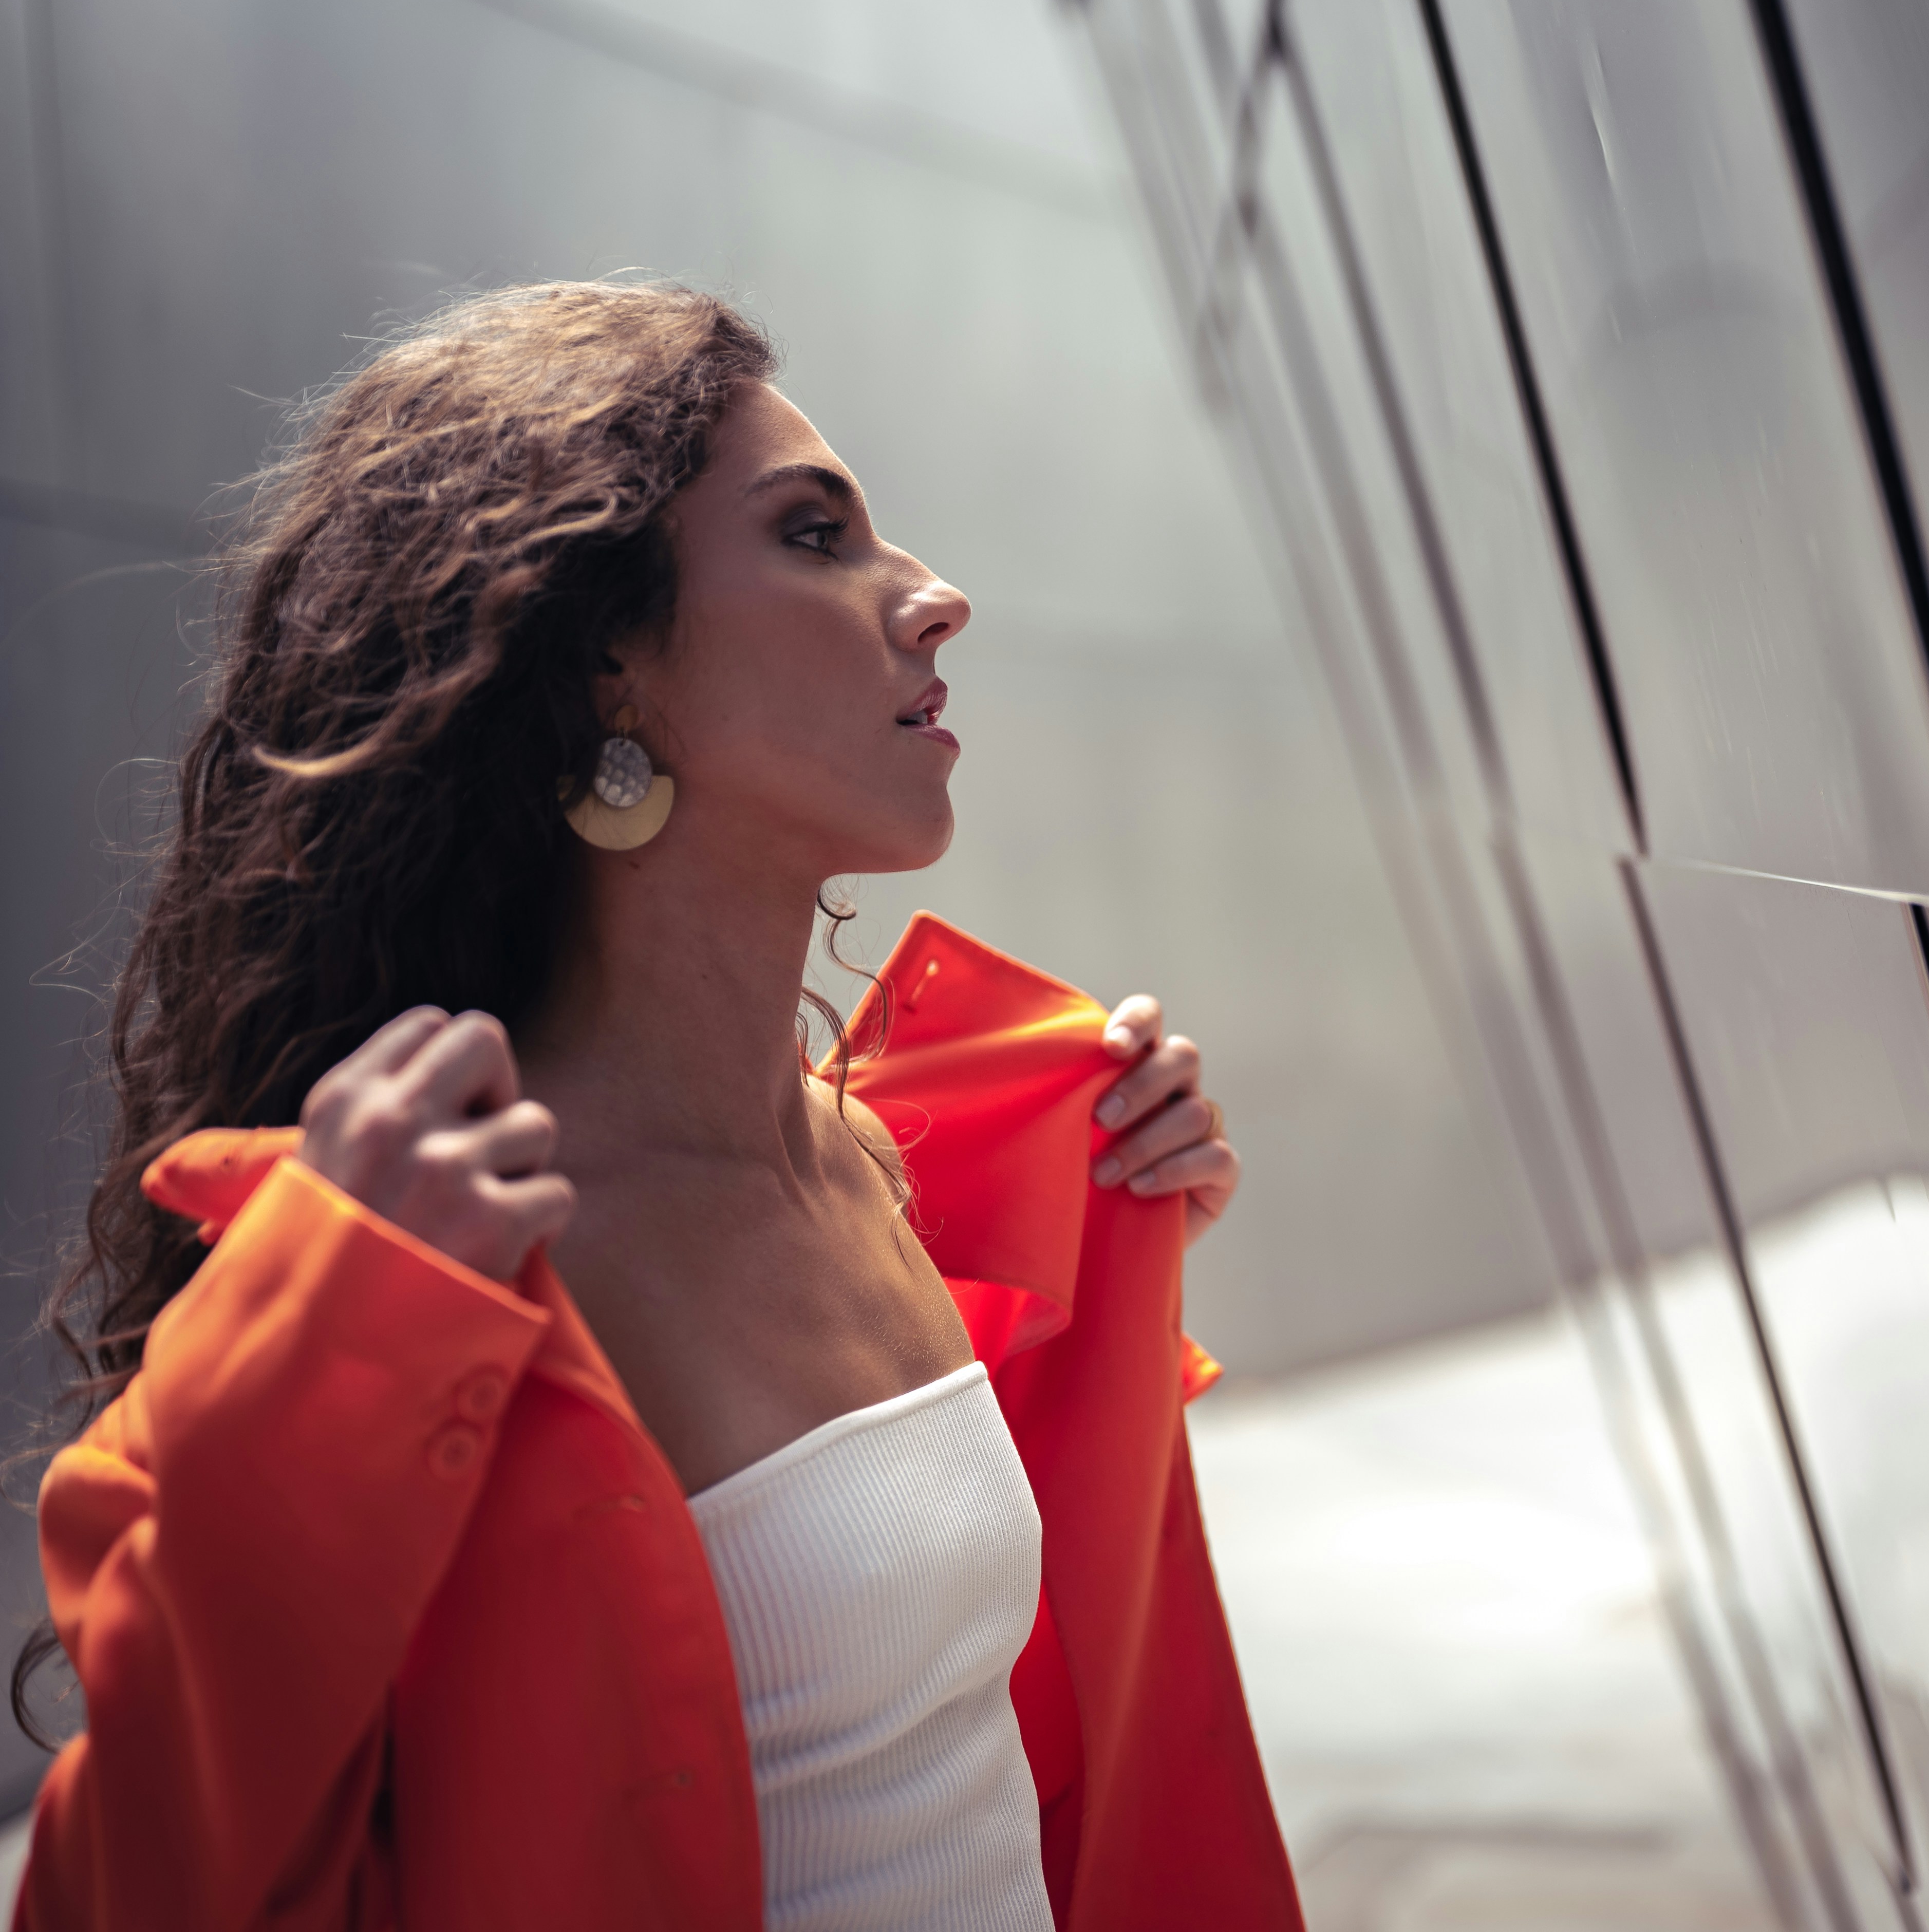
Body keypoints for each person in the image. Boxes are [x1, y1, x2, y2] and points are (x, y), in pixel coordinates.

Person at [10, 283, 1303, 1929]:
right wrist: (322, 1355)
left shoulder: (890, 1165)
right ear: (606, 663)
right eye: (816, 535)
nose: (934, 596)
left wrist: (1120, 1190)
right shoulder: (426, 1282)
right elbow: (136, 1888)